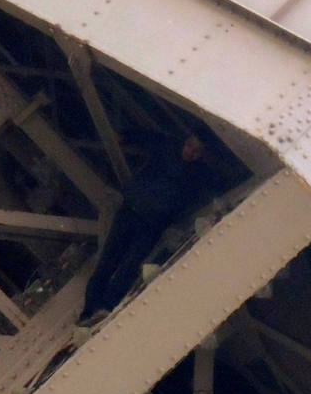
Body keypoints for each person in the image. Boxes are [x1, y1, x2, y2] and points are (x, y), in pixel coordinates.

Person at [79, 133, 215, 325]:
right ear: (185, 143)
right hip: (138, 216)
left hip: (145, 220)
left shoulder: (174, 156)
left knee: (123, 267)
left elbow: (146, 137)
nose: (190, 152)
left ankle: (99, 310)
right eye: (190, 146)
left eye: (196, 150)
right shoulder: (189, 170)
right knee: (112, 263)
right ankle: (94, 311)